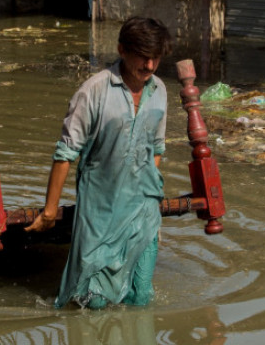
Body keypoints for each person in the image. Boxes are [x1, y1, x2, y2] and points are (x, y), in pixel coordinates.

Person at [26, 16, 172, 309]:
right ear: (122, 50)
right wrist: (50, 211)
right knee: (91, 302)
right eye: (143, 57)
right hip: (100, 210)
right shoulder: (93, 91)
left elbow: (157, 146)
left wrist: (144, 186)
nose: (150, 66)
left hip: (143, 211)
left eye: (155, 58)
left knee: (140, 295)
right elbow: (66, 154)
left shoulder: (159, 91)